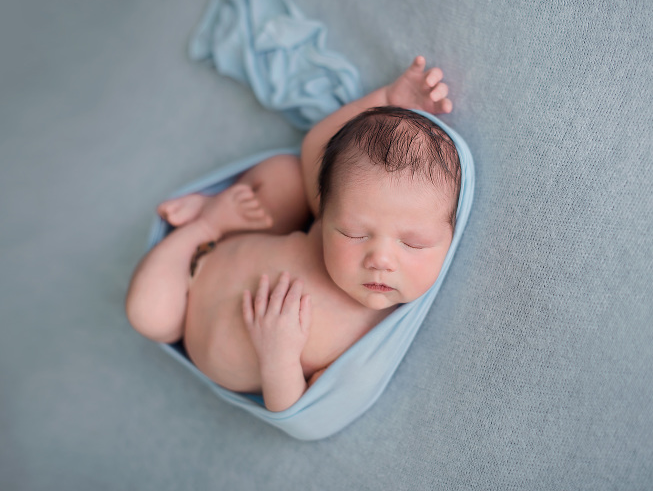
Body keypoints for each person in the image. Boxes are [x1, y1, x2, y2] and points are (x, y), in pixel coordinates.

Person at [125, 57, 459, 412]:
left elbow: (295, 408)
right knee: (286, 176)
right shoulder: (329, 223)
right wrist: (388, 97)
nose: (380, 259)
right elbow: (318, 146)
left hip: (182, 319)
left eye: (413, 243)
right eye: (354, 233)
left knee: (148, 315)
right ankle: (207, 223)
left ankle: (202, 224)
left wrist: (278, 355)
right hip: (207, 254)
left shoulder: (364, 344)